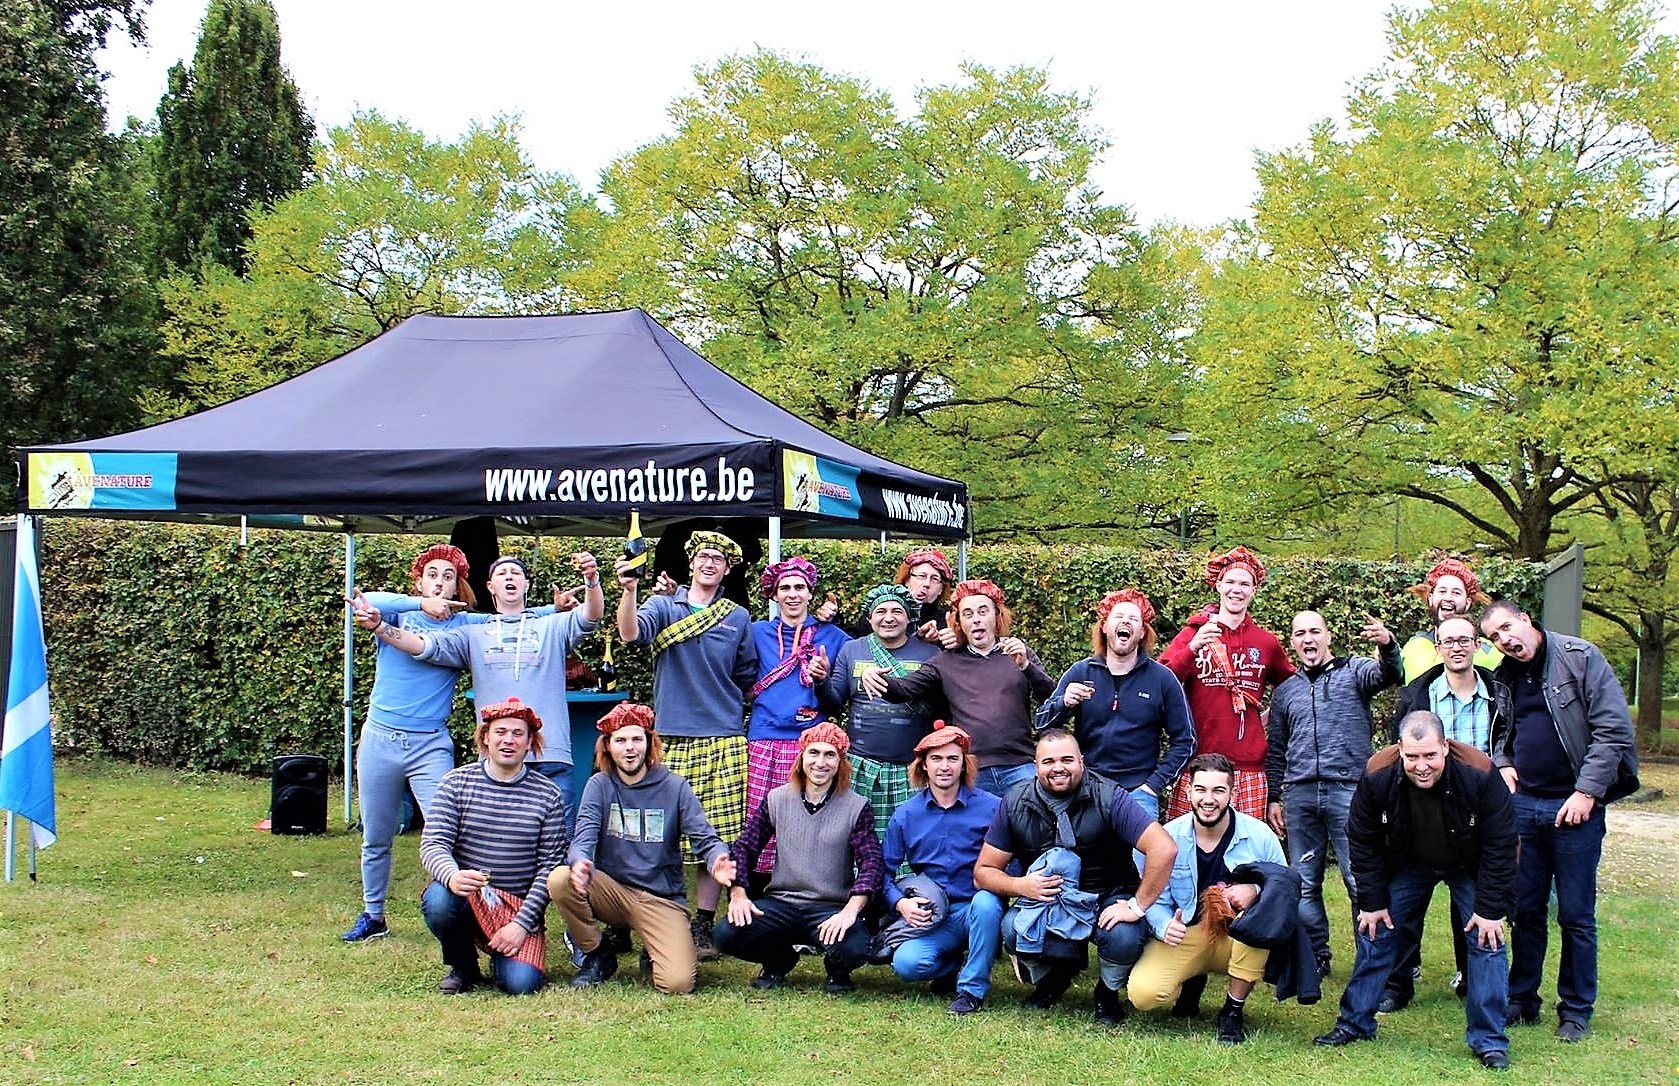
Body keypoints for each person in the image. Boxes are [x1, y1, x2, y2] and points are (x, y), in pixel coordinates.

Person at [1313, 712, 1517, 1070]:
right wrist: (1373, 902)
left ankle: (1489, 1040)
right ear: (1399, 750)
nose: (1422, 766)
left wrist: (1489, 910)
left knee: (1487, 939)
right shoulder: (1377, 772)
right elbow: (1362, 838)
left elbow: (1501, 843)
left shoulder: (1480, 771)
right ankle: (1354, 1023)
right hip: (1409, 862)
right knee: (1375, 929)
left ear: (1445, 747)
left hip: (1468, 864)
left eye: (1430, 756)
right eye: (1412, 757)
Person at [1481, 601, 1640, 1043]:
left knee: (1575, 914)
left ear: (1525, 620)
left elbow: (1613, 730)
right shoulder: (1506, 674)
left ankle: (1575, 1009)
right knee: (1525, 910)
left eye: (1507, 628)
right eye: (1494, 637)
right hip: (1525, 807)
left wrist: (1587, 791)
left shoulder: (1580, 657)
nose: (1505, 640)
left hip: (1575, 808)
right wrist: (1503, 763)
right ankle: (1521, 998)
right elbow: (1503, 729)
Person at [358, 552, 603, 822]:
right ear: (490, 586)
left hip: (549, 756)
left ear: (527, 584)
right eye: (501, 573)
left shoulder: (553, 625)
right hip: (495, 758)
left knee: (558, 840)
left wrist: (591, 580)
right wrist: (381, 625)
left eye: (516, 573)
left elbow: (590, 616)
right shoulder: (472, 631)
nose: (509, 577)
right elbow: (421, 644)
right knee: (494, 839)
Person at [615, 529, 757, 960]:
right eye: (703, 557)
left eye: (718, 559)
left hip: (723, 735)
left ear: (727, 570)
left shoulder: (738, 617)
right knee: (661, 835)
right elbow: (629, 634)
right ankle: (659, 915)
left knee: (717, 834)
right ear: (691, 563)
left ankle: (702, 922)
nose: (709, 564)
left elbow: (746, 674)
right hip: (672, 735)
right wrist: (629, 590)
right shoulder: (663, 605)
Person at [974, 729, 1176, 1026]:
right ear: (1035, 766)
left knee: (1123, 935)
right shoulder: (1015, 802)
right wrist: (1020, 885)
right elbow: (983, 872)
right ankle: (1055, 978)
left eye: (1067, 760)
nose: (1058, 768)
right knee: (1013, 928)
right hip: (1050, 898)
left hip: (1107, 894)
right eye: (1049, 761)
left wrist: (1136, 906)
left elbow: (1164, 848)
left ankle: (1107, 991)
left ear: (1082, 761)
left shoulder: (1110, 796)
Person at [550, 701, 738, 995]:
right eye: (620, 740)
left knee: (677, 984)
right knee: (560, 879)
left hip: (660, 898)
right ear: (608, 746)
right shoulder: (599, 785)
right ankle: (597, 953)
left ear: (650, 742)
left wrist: (717, 860)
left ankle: (653, 952)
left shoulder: (675, 786)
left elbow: (705, 837)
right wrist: (580, 861)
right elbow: (583, 837)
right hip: (612, 892)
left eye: (637, 739)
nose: (629, 748)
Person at [340, 544, 476, 944]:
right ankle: (374, 915)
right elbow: (365, 600)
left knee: (447, 831)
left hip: (429, 745)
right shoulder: (398, 614)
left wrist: (556, 610)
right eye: (432, 575)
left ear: (458, 586)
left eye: (448, 577)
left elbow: (514, 619)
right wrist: (421, 603)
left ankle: (457, 913)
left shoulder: (465, 626)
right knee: (376, 835)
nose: (439, 582)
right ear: (418, 582)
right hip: (379, 739)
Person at [1382, 614, 1514, 1009]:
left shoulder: (1498, 694)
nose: (1457, 647)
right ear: (1437, 648)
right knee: (1404, 908)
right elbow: (1399, 752)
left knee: (1473, 905)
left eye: (1464, 640)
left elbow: (1508, 741)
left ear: (1477, 645)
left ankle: (1475, 980)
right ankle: (1397, 984)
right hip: (1423, 810)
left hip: (1477, 812)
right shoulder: (1416, 696)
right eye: (1448, 641)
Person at [1262, 609, 1400, 978]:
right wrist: (1274, 796)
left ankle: (1370, 958)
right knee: (1305, 883)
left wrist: (1387, 645)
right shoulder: (1286, 691)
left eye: (1314, 632)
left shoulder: (1354, 671)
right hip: (1300, 795)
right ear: (1292, 642)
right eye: (1300, 634)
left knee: (1359, 878)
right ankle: (1316, 958)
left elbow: (1390, 674)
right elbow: (1277, 749)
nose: (1308, 639)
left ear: (1328, 636)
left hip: (1349, 790)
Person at [1128, 753, 1290, 1045]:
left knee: (1257, 922)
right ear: (1188, 792)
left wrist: (1256, 891)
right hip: (1189, 932)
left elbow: (1285, 887)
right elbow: (1151, 896)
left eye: (1218, 790)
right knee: (1144, 994)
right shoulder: (1167, 837)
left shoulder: (1259, 835)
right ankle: (1192, 979)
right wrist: (1164, 925)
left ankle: (1232, 1010)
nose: (1208, 799)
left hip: (1237, 938)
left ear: (1232, 794)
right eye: (1200, 789)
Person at [714, 722, 885, 993]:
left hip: (829, 906)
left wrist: (849, 912)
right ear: (802, 756)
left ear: (841, 762)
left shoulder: (856, 807)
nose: (821, 763)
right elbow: (745, 848)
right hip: (781, 903)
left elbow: (871, 864)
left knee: (856, 947)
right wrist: (738, 895)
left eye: (830, 755)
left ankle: (837, 968)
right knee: (726, 934)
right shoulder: (776, 799)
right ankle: (779, 959)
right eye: (813, 753)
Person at [418, 697, 567, 995]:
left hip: (517, 906)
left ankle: (505, 955)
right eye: (500, 732)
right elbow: (434, 843)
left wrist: (521, 925)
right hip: (468, 896)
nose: (508, 740)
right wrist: (452, 876)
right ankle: (463, 965)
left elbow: (549, 867)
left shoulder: (548, 795)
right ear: (485, 738)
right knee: (439, 901)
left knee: (520, 984)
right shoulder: (456, 782)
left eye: (518, 733)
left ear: (529, 743)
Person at [865, 579, 1056, 796]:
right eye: (968, 614)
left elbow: (1051, 698)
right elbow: (903, 690)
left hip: (1019, 766)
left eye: (983, 611)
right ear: (959, 622)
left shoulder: (1019, 653)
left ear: (996, 616)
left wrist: (1026, 666)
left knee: (1034, 817)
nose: (976, 619)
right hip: (972, 770)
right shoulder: (945, 662)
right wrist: (875, 677)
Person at [1159, 546, 1293, 821]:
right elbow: (1162, 681)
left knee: (1246, 845)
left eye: (1245, 584)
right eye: (1230, 582)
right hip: (1198, 763)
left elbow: (1293, 686)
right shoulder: (1193, 634)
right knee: (1190, 844)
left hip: (1249, 767)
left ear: (1254, 590)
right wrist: (1192, 648)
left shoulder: (1265, 642)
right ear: (1218, 585)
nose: (1236, 590)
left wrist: (1270, 716)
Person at [1035, 588, 1195, 818]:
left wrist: (1153, 785)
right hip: (1086, 791)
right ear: (1104, 626)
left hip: (1139, 794)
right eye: (1118, 616)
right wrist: (1063, 703)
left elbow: (1185, 741)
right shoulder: (1081, 672)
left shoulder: (1162, 679)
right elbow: (1042, 724)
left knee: (1147, 844)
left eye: (1133, 619)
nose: (1125, 621)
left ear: (1142, 632)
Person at [880, 723, 1004, 1015]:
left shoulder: (994, 808)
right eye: (936, 759)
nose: (945, 766)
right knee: (907, 964)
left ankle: (971, 991)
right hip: (934, 914)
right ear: (924, 765)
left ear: (964, 764)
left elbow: (1013, 861)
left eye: (952, 759)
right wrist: (901, 904)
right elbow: (883, 872)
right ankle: (951, 967)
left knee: (986, 904)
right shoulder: (906, 815)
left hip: (977, 908)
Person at [743, 557, 850, 873]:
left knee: (806, 816)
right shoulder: (756, 632)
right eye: (785, 588)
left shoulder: (832, 636)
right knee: (761, 817)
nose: (792, 594)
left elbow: (860, 659)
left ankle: (805, 882)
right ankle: (756, 887)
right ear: (774, 594)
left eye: (800, 587)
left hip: (809, 743)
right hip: (764, 738)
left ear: (810, 592)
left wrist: (825, 677)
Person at [822, 583, 942, 836]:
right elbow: (834, 703)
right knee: (861, 839)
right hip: (860, 766)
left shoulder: (931, 653)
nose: (888, 618)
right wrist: (821, 680)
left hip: (912, 768)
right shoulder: (851, 650)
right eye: (880, 611)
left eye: (897, 611)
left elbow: (941, 707)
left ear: (909, 618)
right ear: (869, 618)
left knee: (911, 839)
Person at [1400, 558, 1501, 681]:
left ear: (1467, 603)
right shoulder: (1413, 647)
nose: (1448, 598)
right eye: (1442, 591)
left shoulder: (1489, 651)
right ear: (1431, 599)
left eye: (1456, 593)